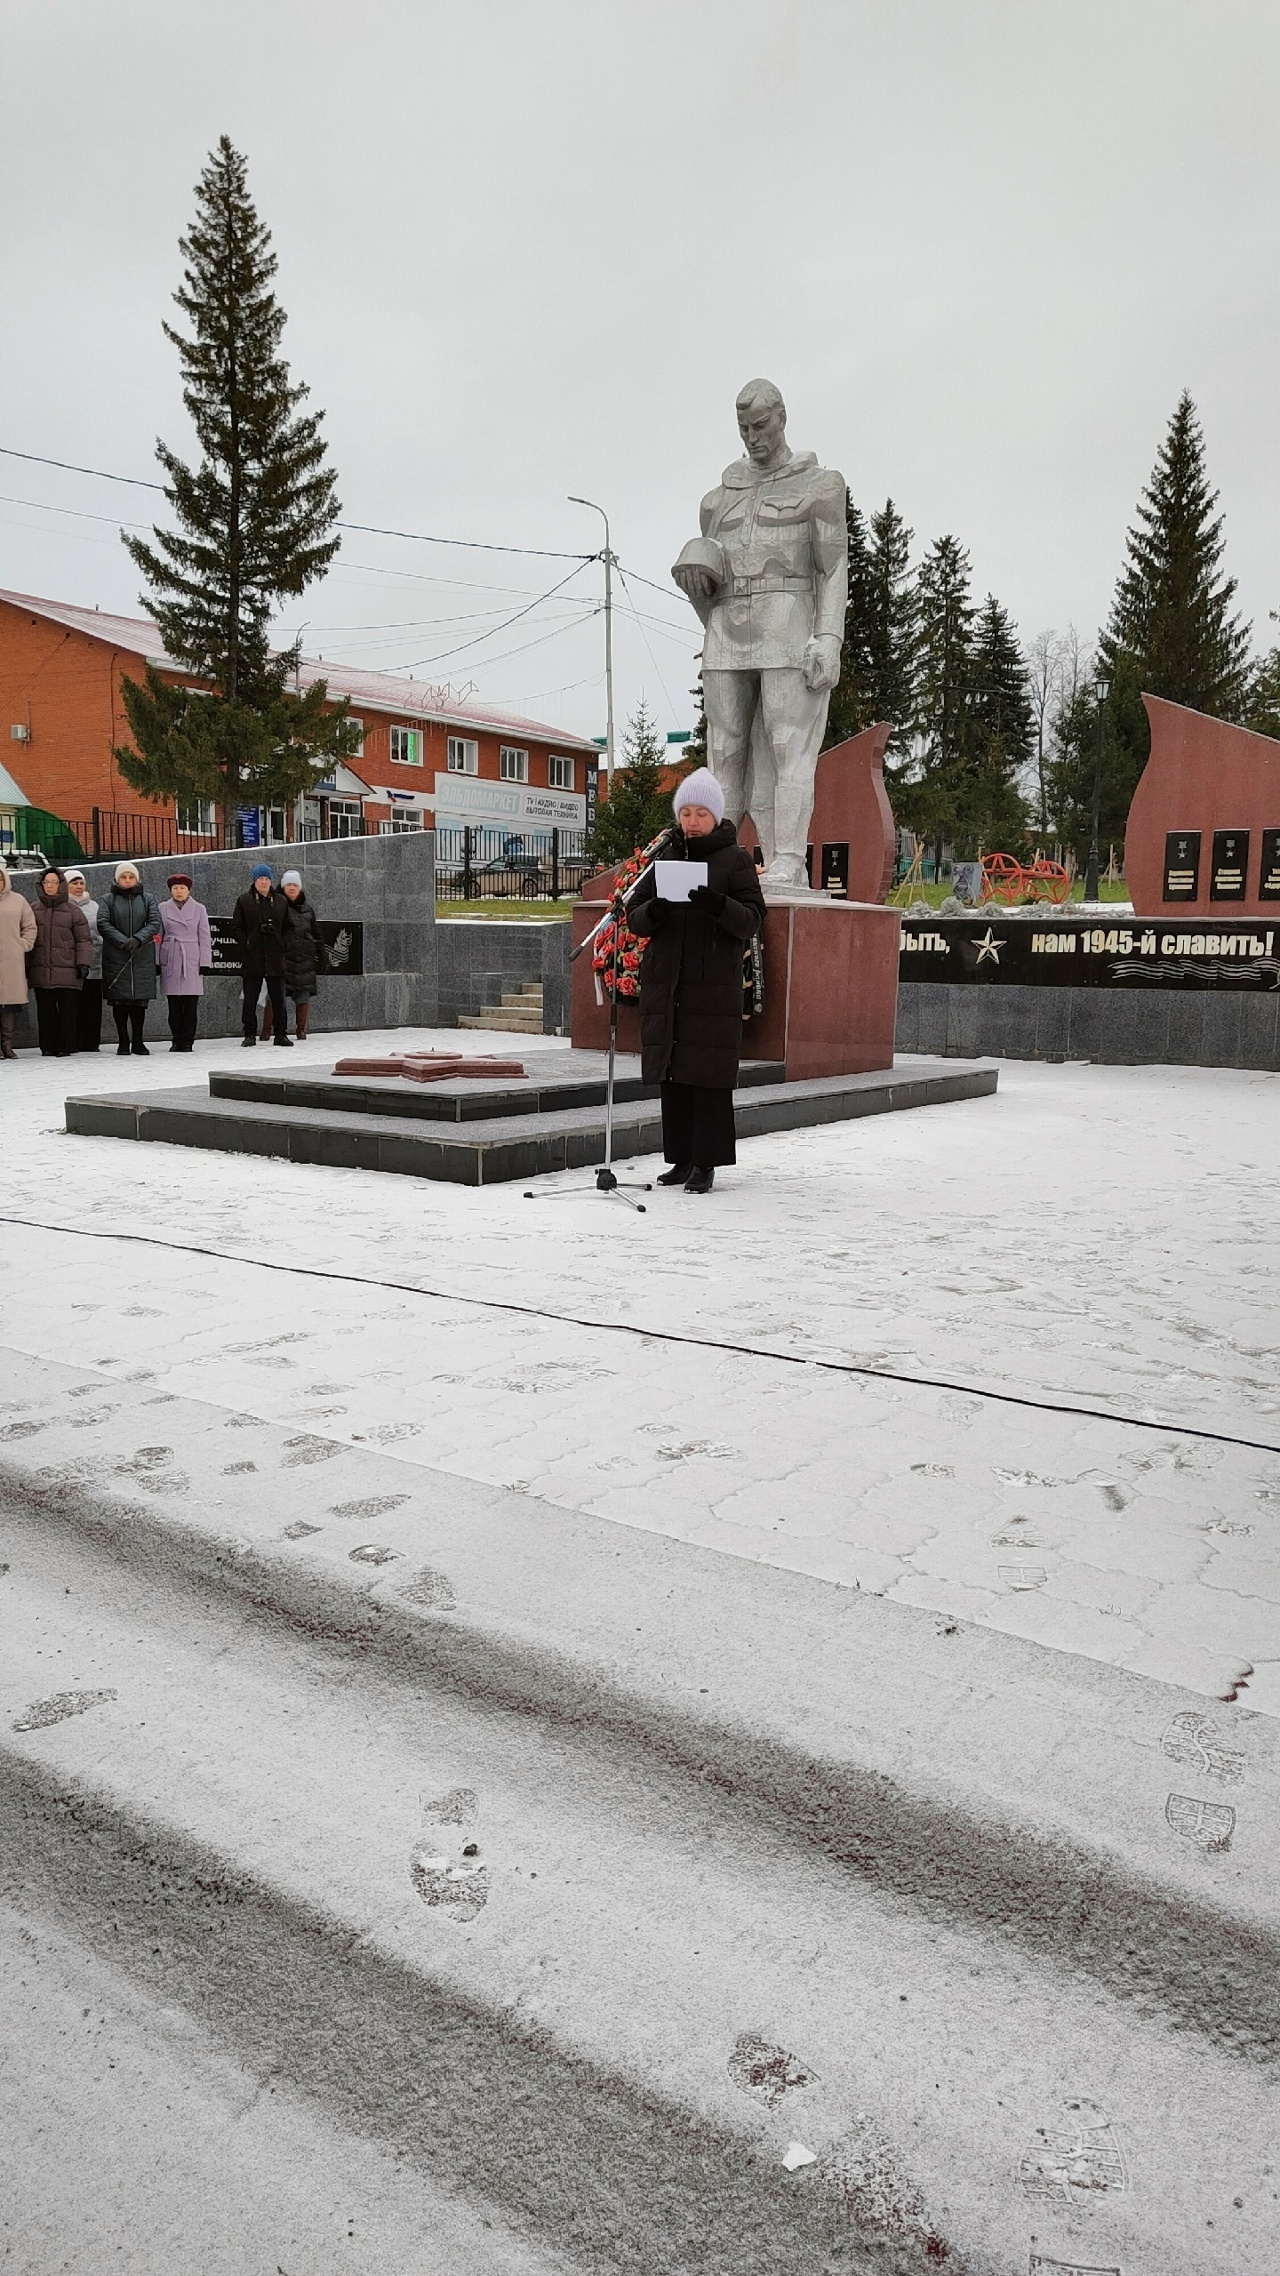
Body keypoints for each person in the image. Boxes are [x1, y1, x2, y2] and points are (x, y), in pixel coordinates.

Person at [671, 379, 847, 892]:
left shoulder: (820, 484)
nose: (753, 437)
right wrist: (695, 584)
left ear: (782, 417)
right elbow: (711, 577)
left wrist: (829, 635)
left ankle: (787, 860)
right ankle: (706, 859)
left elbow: (833, 565)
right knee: (723, 748)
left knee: (788, 742)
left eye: (762, 425)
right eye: (744, 428)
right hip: (727, 624)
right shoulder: (716, 499)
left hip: (787, 619)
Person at [626, 767, 765, 1193]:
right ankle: (681, 1159)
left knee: (707, 1078)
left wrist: (717, 904)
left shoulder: (735, 859)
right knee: (675, 1075)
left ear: (716, 816)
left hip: (711, 986)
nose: (691, 821)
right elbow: (635, 915)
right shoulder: (665, 858)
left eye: (700, 813)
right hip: (670, 985)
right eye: (685, 812)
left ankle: (707, 1163)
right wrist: (657, 911)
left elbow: (753, 919)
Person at [27, 866, 92, 1057]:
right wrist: (26, 965)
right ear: (41, 884)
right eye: (47, 882)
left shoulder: (73, 910)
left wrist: (83, 964)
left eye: (54, 882)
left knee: (68, 1011)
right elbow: (28, 938)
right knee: (45, 1010)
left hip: (68, 969)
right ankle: (48, 1045)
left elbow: (83, 939)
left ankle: (66, 1045)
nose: (50, 886)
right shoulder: (33, 909)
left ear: (60, 885)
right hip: (41, 969)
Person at [99, 861, 162, 1055]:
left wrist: (138, 939)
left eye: (131, 877)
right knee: (120, 1002)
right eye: (123, 877)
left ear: (137, 878)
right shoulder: (108, 899)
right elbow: (103, 922)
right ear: (117, 879)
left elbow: (154, 922)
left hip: (141, 956)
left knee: (138, 1004)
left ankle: (138, 1041)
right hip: (117, 956)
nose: (127, 880)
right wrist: (122, 941)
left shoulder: (147, 899)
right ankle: (123, 1041)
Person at [262, 868, 325, 1041]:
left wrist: (321, 953)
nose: (291, 888)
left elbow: (317, 933)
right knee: (275, 996)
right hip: (282, 959)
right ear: (283, 887)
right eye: (288, 884)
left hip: (304, 959)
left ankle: (301, 1029)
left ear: (300, 888)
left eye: (295, 885)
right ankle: (267, 1029)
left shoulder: (308, 909)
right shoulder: (275, 904)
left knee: (302, 996)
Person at [233, 863, 291, 1047]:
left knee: (279, 999)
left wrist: (283, 944)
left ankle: (281, 1034)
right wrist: (248, 942)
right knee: (250, 999)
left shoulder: (281, 901)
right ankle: (249, 1033)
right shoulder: (244, 900)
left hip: (275, 958)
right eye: (260, 878)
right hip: (253, 958)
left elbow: (290, 927)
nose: (264, 882)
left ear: (271, 880)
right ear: (254, 880)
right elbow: (235, 927)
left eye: (266, 878)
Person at [157, 872, 212, 1052]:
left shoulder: (199, 909)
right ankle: (176, 1039)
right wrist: (158, 960)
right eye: (175, 888)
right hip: (171, 956)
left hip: (191, 958)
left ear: (188, 890)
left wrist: (205, 961)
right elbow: (158, 935)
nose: (179, 891)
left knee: (190, 1004)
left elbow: (204, 936)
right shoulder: (163, 908)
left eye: (182, 888)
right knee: (173, 1004)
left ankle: (188, 1039)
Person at [0, 867, 37, 1060]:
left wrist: (23, 945)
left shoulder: (18, 900)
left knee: (8, 1004)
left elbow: (30, 926)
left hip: (11, 960)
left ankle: (7, 1044)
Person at [64, 869, 104, 1051]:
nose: (79, 887)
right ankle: (75, 1041)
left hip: (94, 962)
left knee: (93, 1004)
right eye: (74, 883)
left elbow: (101, 931)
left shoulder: (95, 906)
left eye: (81, 883)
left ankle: (91, 1042)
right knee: (74, 1005)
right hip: (70, 965)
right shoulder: (63, 905)